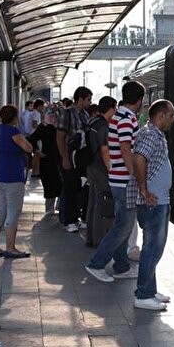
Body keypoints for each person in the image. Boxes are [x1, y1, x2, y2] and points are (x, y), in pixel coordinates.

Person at [84, 81, 144, 283]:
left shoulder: (118, 116)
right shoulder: (127, 118)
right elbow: (126, 147)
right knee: (122, 227)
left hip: (117, 178)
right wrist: (134, 173)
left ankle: (121, 266)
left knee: (122, 225)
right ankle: (97, 263)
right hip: (125, 179)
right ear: (139, 100)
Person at [130, 99, 174, 311]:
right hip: (154, 202)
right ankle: (143, 294)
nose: (173, 120)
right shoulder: (150, 135)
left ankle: (150, 288)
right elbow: (139, 159)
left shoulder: (154, 134)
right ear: (160, 116)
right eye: (171, 115)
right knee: (152, 248)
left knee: (154, 247)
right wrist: (144, 190)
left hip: (159, 200)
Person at [0, 104, 33, 259]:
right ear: (14, 118)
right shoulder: (13, 132)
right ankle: (10, 247)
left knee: (1, 212)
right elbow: (28, 147)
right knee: (13, 213)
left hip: (1, 176)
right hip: (13, 177)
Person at [57, 86, 92, 233]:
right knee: (69, 188)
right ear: (80, 99)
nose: (90, 102)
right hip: (68, 157)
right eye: (88, 99)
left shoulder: (85, 115)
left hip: (79, 158)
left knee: (78, 187)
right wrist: (64, 158)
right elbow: (60, 137)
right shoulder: (67, 114)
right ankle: (67, 219)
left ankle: (74, 218)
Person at [85, 96, 116, 247]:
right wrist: (110, 169)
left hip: (90, 166)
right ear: (110, 109)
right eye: (114, 108)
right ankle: (98, 239)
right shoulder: (104, 126)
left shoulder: (92, 121)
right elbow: (105, 150)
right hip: (100, 168)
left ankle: (90, 236)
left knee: (93, 202)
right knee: (101, 204)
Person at [30, 101, 61, 214]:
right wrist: (37, 151)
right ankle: (50, 208)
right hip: (48, 160)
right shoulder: (44, 128)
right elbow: (32, 139)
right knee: (49, 185)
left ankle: (58, 206)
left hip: (58, 159)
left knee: (59, 184)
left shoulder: (59, 127)